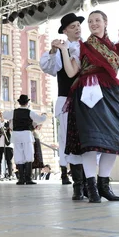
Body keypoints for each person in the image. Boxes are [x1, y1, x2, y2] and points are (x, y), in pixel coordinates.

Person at [62, 10, 119, 203]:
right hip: (89, 93)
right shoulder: (81, 46)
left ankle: (104, 185)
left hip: (112, 93)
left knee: (112, 141)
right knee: (91, 143)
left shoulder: (115, 47)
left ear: (105, 22)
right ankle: (91, 187)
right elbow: (71, 73)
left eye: (97, 20)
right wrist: (64, 50)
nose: (93, 23)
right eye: (90, 21)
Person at [40, 13, 84, 189]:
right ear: (65, 31)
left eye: (78, 25)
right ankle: (76, 182)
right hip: (67, 98)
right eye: (72, 26)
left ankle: (89, 180)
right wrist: (53, 50)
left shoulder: (88, 47)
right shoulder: (59, 50)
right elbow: (49, 67)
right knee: (68, 138)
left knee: (86, 138)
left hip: (86, 99)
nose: (77, 28)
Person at [3, 94, 47, 185]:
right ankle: (28, 178)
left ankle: (21, 179)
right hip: (26, 134)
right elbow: (40, 119)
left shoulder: (14, 112)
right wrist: (44, 115)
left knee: (19, 156)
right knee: (28, 155)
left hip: (16, 135)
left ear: (19, 103)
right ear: (27, 103)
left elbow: (5, 115)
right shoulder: (30, 112)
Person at [0, 111, 13, 180]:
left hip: (7, 144)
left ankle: (10, 174)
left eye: (1, 115)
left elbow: (13, 131)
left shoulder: (8, 123)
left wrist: (9, 130)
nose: (0, 116)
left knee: (8, 160)